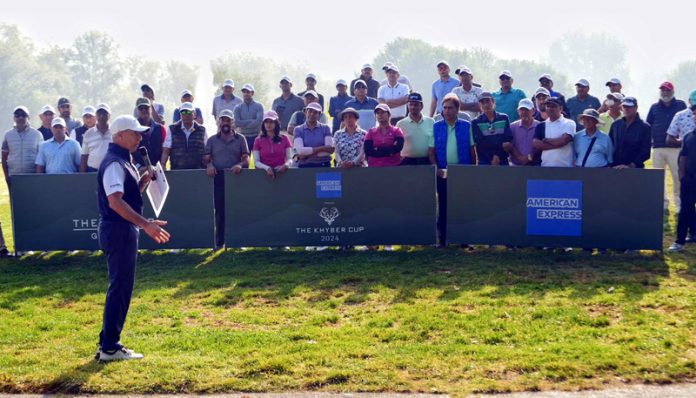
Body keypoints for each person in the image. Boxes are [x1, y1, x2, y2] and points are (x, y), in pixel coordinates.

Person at [96, 115, 170, 361]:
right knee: (120, 287)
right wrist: (146, 224)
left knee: (120, 286)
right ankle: (109, 347)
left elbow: (123, 197)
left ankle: (107, 342)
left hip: (121, 229)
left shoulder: (122, 160)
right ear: (119, 136)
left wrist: (142, 184)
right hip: (118, 230)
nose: (139, 137)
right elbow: (115, 202)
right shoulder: (115, 162)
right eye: (134, 133)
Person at [428, 95, 477, 247]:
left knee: (463, 206)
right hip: (443, 173)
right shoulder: (436, 126)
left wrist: (471, 170)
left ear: (457, 110)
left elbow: (472, 150)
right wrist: (436, 169)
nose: (447, 111)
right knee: (443, 206)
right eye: (445, 108)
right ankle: (442, 240)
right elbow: (431, 151)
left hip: (462, 172)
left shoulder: (466, 125)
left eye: (450, 108)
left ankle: (464, 240)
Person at [204, 109, 249, 251]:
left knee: (237, 209)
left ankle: (238, 241)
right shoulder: (212, 140)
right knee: (219, 210)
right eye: (223, 120)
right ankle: (220, 242)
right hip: (218, 178)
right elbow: (206, 157)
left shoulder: (240, 138)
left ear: (232, 122)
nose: (225, 123)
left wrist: (240, 165)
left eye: (228, 120)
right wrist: (210, 165)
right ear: (219, 122)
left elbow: (246, 158)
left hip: (235, 177)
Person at [648, 82, 688, 212]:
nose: (665, 92)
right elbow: (648, 125)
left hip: (676, 148)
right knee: (658, 178)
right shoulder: (654, 107)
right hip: (658, 148)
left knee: (677, 176)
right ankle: (662, 204)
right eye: (663, 90)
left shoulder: (681, 105)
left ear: (672, 91)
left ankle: (679, 203)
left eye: (667, 90)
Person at [669, 107, 696, 252]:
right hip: (690, 180)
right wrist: (682, 176)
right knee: (685, 210)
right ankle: (679, 242)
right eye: (695, 114)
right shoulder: (688, 137)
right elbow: (683, 158)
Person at [533, 97, 577, 167]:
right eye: (548, 106)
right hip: (545, 167)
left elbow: (564, 140)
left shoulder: (569, 123)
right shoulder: (541, 125)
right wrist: (558, 144)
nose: (550, 109)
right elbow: (536, 144)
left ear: (561, 108)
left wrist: (546, 140)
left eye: (553, 106)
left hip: (565, 168)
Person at [161, 102, 207, 170]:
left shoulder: (202, 130)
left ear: (194, 114)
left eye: (189, 112)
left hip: (198, 172)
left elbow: (207, 152)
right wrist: (163, 165)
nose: (186, 115)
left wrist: (209, 164)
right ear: (180, 115)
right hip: (177, 172)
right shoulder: (172, 129)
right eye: (184, 112)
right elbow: (166, 150)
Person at [609, 97, 651, 169]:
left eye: (629, 106)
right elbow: (610, 146)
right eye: (624, 106)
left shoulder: (645, 127)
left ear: (636, 107)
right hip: (615, 168)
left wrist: (632, 165)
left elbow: (645, 151)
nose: (626, 109)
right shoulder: (616, 125)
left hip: (636, 169)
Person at [472, 92, 513, 165]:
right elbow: (480, 143)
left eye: (488, 101)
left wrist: (497, 155)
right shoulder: (476, 122)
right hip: (484, 160)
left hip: (502, 159)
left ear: (493, 102)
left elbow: (507, 140)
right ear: (480, 105)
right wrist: (492, 156)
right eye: (482, 102)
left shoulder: (504, 118)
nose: (486, 105)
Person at [397, 93, 434, 165]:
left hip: (426, 161)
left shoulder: (430, 122)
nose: (413, 107)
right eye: (410, 104)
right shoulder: (401, 124)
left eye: (416, 105)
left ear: (421, 106)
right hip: (407, 162)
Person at [293, 102, 334, 168]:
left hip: (324, 165)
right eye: (310, 111)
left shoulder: (326, 128)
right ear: (306, 112)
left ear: (319, 115)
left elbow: (329, 151)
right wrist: (322, 148)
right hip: (304, 166)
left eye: (315, 112)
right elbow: (300, 151)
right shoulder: (298, 129)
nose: (312, 114)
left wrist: (305, 155)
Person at [253, 110, 293, 175]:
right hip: (263, 174)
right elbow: (256, 161)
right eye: (266, 122)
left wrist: (286, 165)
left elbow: (290, 159)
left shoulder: (285, 138)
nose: (268, 124)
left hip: (282, 173)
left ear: (276, 123)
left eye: (271, 122)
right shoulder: (258, 140)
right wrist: (267, 168)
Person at [132, 98, 166, 172]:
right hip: (137, 171)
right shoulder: (132, 130)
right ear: (137, 110)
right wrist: (139, 167)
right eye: (141, 108)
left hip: (157, 171)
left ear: (151, 109)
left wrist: (160, 167)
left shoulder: (161, 128)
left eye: (146, 108)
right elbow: (128, 152)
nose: (144, 110)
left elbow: (165, 150)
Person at [80, 104, 112, 172]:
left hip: (110, 170)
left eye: (104, 114)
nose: (102, 116)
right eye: (99, 114)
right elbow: (84, 156)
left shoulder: (114, 132)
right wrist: (82, 176)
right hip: (92, 170)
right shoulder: (88, 134)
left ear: (109, 116)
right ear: (96, 116)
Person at [509, 99, 541, 166]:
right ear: (518, 111)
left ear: (533, 111)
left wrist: (529, 158)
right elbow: (510, 146)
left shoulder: (540, 126)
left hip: (536, 165)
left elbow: (540, 147)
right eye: (521, 110)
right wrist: (520, 158)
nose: (524, 112)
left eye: (527, 110)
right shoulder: (512, 127)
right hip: (516, 165)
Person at [233, 84, 264, 151]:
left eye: (248, 92)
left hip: (256, 136)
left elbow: (258, 122)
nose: (245, 94)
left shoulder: (259, 106)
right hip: (242, 137)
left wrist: (243, 123)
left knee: (254, 159)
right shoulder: (237, 107)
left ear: (252, 93)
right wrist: (251, 121)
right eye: (244, 92)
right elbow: (237, 122)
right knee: (244, 157)